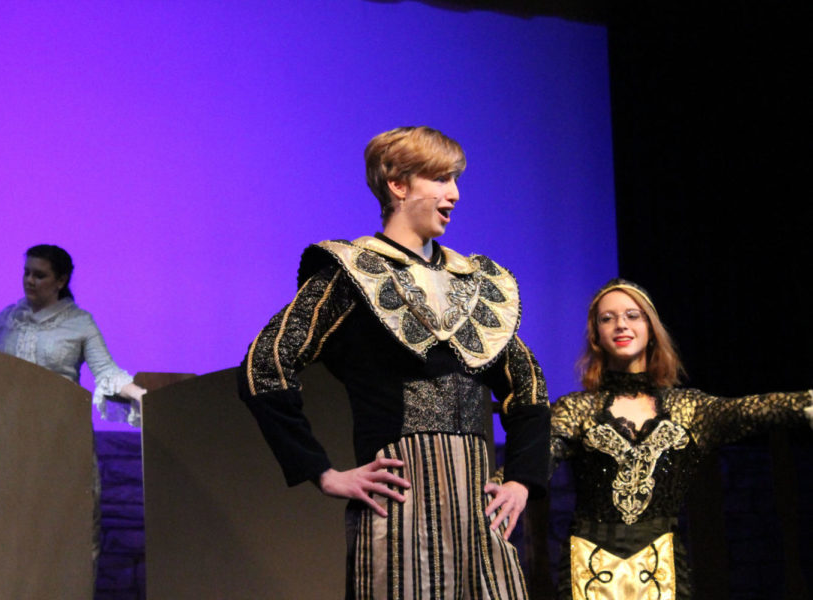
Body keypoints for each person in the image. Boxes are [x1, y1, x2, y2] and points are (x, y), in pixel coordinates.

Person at [238, 126, 550, 599]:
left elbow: (527, 388)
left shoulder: (475, 286)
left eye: (456, 179)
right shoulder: (351, 276)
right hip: (401, 511)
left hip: (476, 515)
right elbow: (265, 364)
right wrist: (323, 472)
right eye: (441, 179)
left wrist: (523, 481)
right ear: (398, 185)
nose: (455, 194)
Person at [550, 278, 813, 599]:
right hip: (588, 572)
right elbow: (538, 457)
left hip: (662, 570)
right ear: (596, 336)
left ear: (650, 328)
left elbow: (760, 409)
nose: (621, 324)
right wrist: (512, 483)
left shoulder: (688, 408)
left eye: (633, 315)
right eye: (608, 318)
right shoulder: (577, 409)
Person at [0, 244, 145, 424]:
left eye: (40, 275)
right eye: (27, 273)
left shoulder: (79, 322)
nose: (30, 281)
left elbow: (106, 371)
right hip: (8, 425)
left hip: (59, 427)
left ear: (61, 281)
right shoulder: (7, 318)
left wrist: (138, 394)